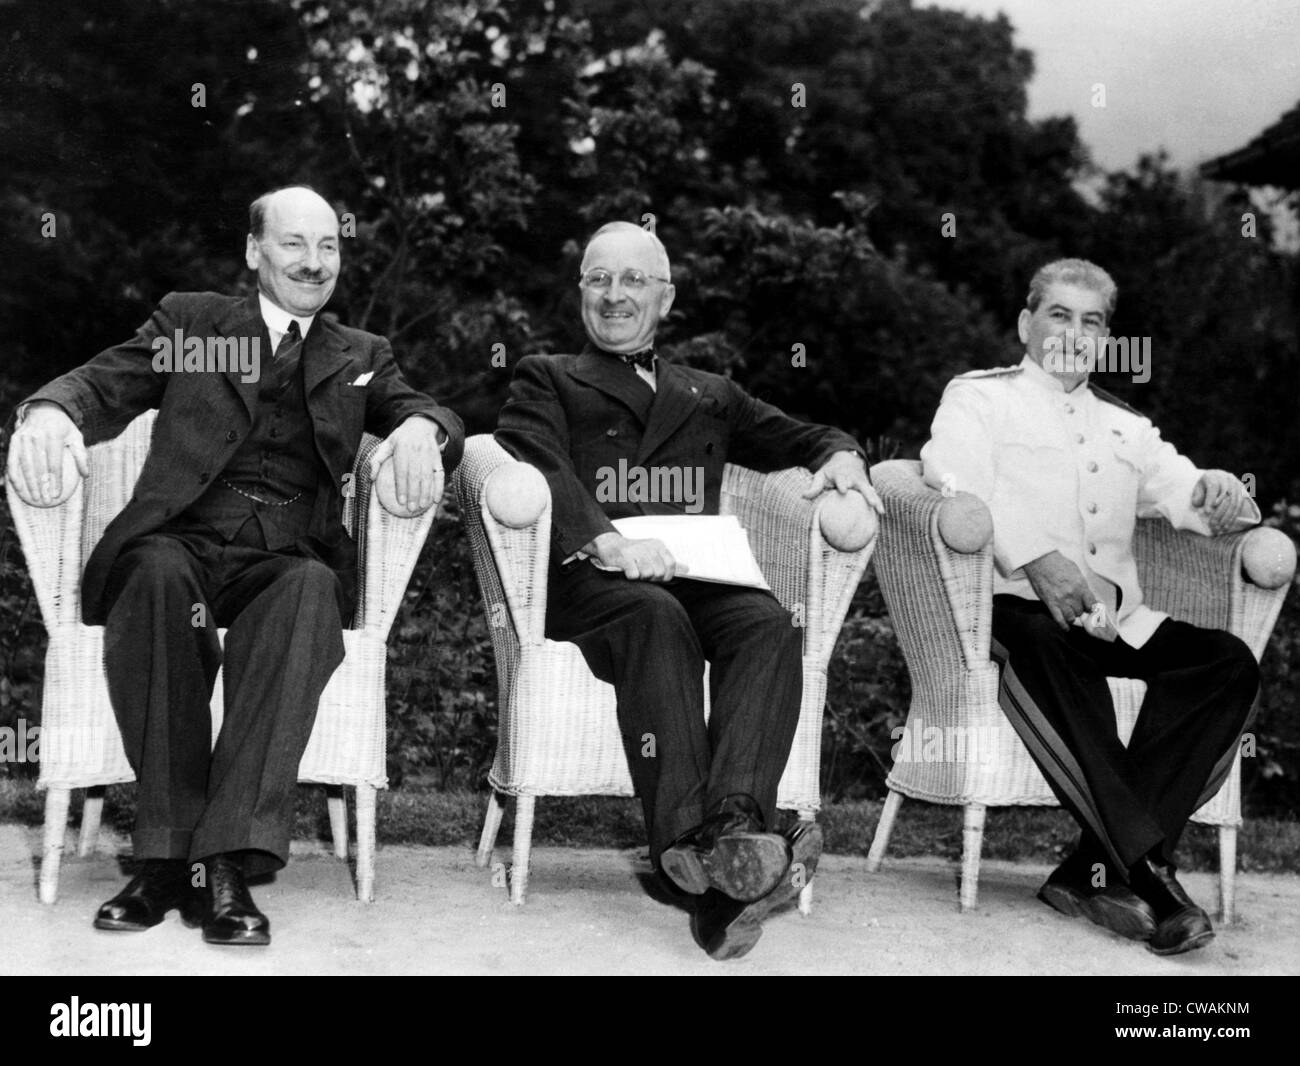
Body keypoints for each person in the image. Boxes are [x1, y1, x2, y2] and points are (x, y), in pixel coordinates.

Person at [5, 185, 464, 946]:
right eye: (294, 244)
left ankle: (222, 862)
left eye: (328, 247)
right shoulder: (195, 322)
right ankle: (162, 857)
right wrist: (49, 412)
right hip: (179, 538)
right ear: (255, 252)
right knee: (153, 577)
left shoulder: (360, 354)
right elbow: (99, 383)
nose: (313, 263)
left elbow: (434, 409)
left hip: (286, 554)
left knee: (311, 592)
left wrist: (420, 428)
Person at [494, 221, 880, 959]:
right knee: (654, 616)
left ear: (665, 298)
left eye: (632, 281)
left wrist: (844, 455)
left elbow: (802, 435)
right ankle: (706, 855)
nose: (613, 296)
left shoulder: (708, 392)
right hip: (594, 580)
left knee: (768, 624)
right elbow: (538, 461)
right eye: (598, 279)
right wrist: (608, 539)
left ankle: (729, 835)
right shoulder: (547, 375)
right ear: (580, 293)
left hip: (697, 569)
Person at [920, 258, 1260, 956]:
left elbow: (1185, 491)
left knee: (1226, 662)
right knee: (1049, 649)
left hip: (1114, 620)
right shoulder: (980, 398)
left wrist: (1218, 488)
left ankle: (1087, 870)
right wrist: (1034, 558)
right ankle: (1153, 881)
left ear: (1106, 337)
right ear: (1027, 322)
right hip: (1011, 608)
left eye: (1092, 321)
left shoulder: (1124, 424)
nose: (1075, 332)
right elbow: (948, 477)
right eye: (1059, 315)